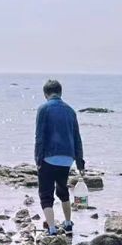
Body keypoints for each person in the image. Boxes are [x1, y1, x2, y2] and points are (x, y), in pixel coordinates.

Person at [34, 79, 85, 236]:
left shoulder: (43, 109)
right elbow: (77, 138)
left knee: (46, 194)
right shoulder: (70, 111)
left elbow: (40, 136)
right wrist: (80, 163)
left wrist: (38, 159)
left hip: (49, 157)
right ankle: (68, 224)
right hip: (67, 158)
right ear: (60, 92)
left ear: (45, 94)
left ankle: (52, 229)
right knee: (63, 190)